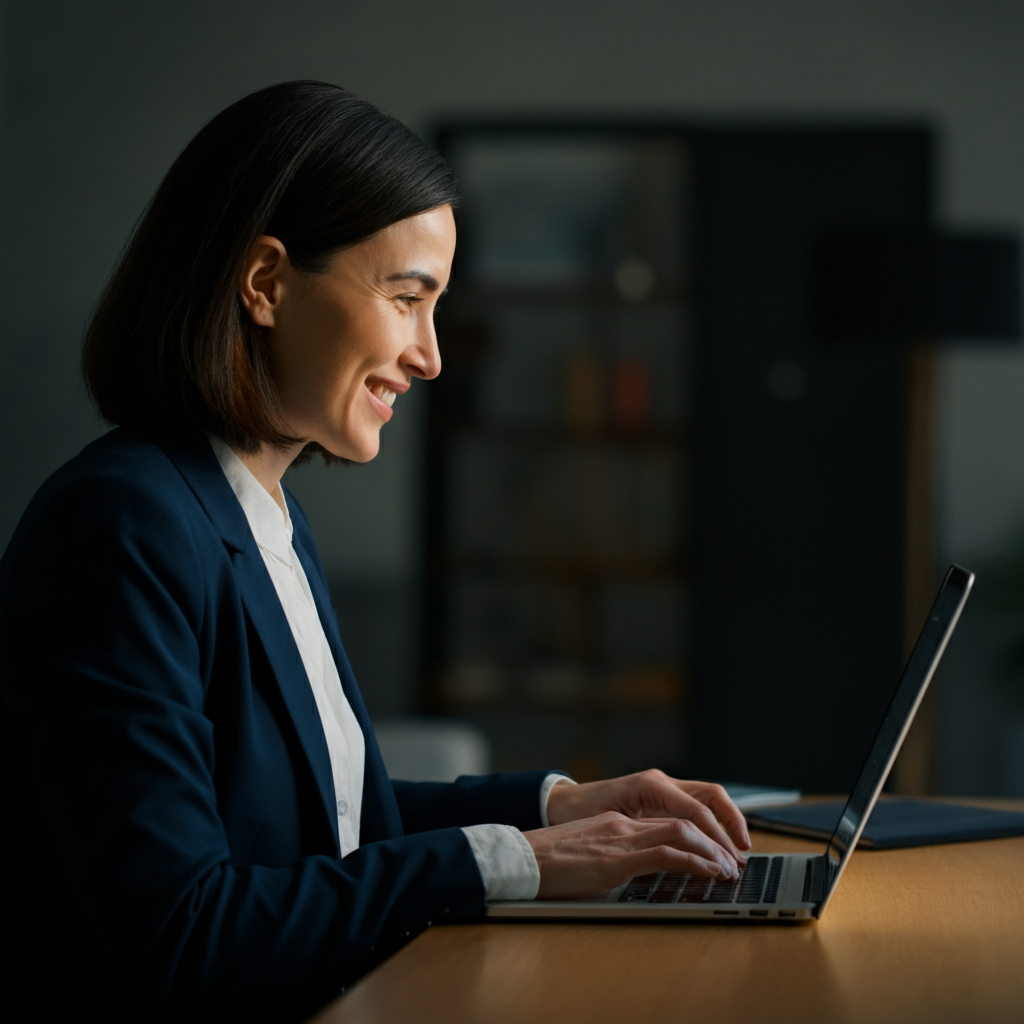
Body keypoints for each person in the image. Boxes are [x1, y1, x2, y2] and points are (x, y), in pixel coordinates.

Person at [0, 81, 750, 1023]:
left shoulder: (261, 510)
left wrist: (554, 808)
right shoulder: (120, 525)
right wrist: (516, 863)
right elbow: (183, 930)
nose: (432, 354)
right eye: (407, 298)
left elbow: (324, 816)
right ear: (265, 283)